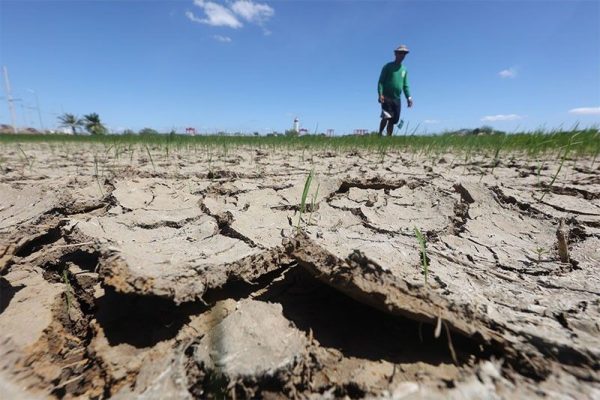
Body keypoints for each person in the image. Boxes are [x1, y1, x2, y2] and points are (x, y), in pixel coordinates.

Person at [378, 45, 413, 136]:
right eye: (400, 53)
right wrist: (380, 94)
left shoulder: (404, 70)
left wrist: (409, 97)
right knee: (386, 116)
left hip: (397, 98)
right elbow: (381, 82)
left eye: (404, 53)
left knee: (393, 120)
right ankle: (380, 134)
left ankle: (389, 138)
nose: (402, 55)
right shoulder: (388, 66)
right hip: (386, 96)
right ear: (395, 54)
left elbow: (405, 85)